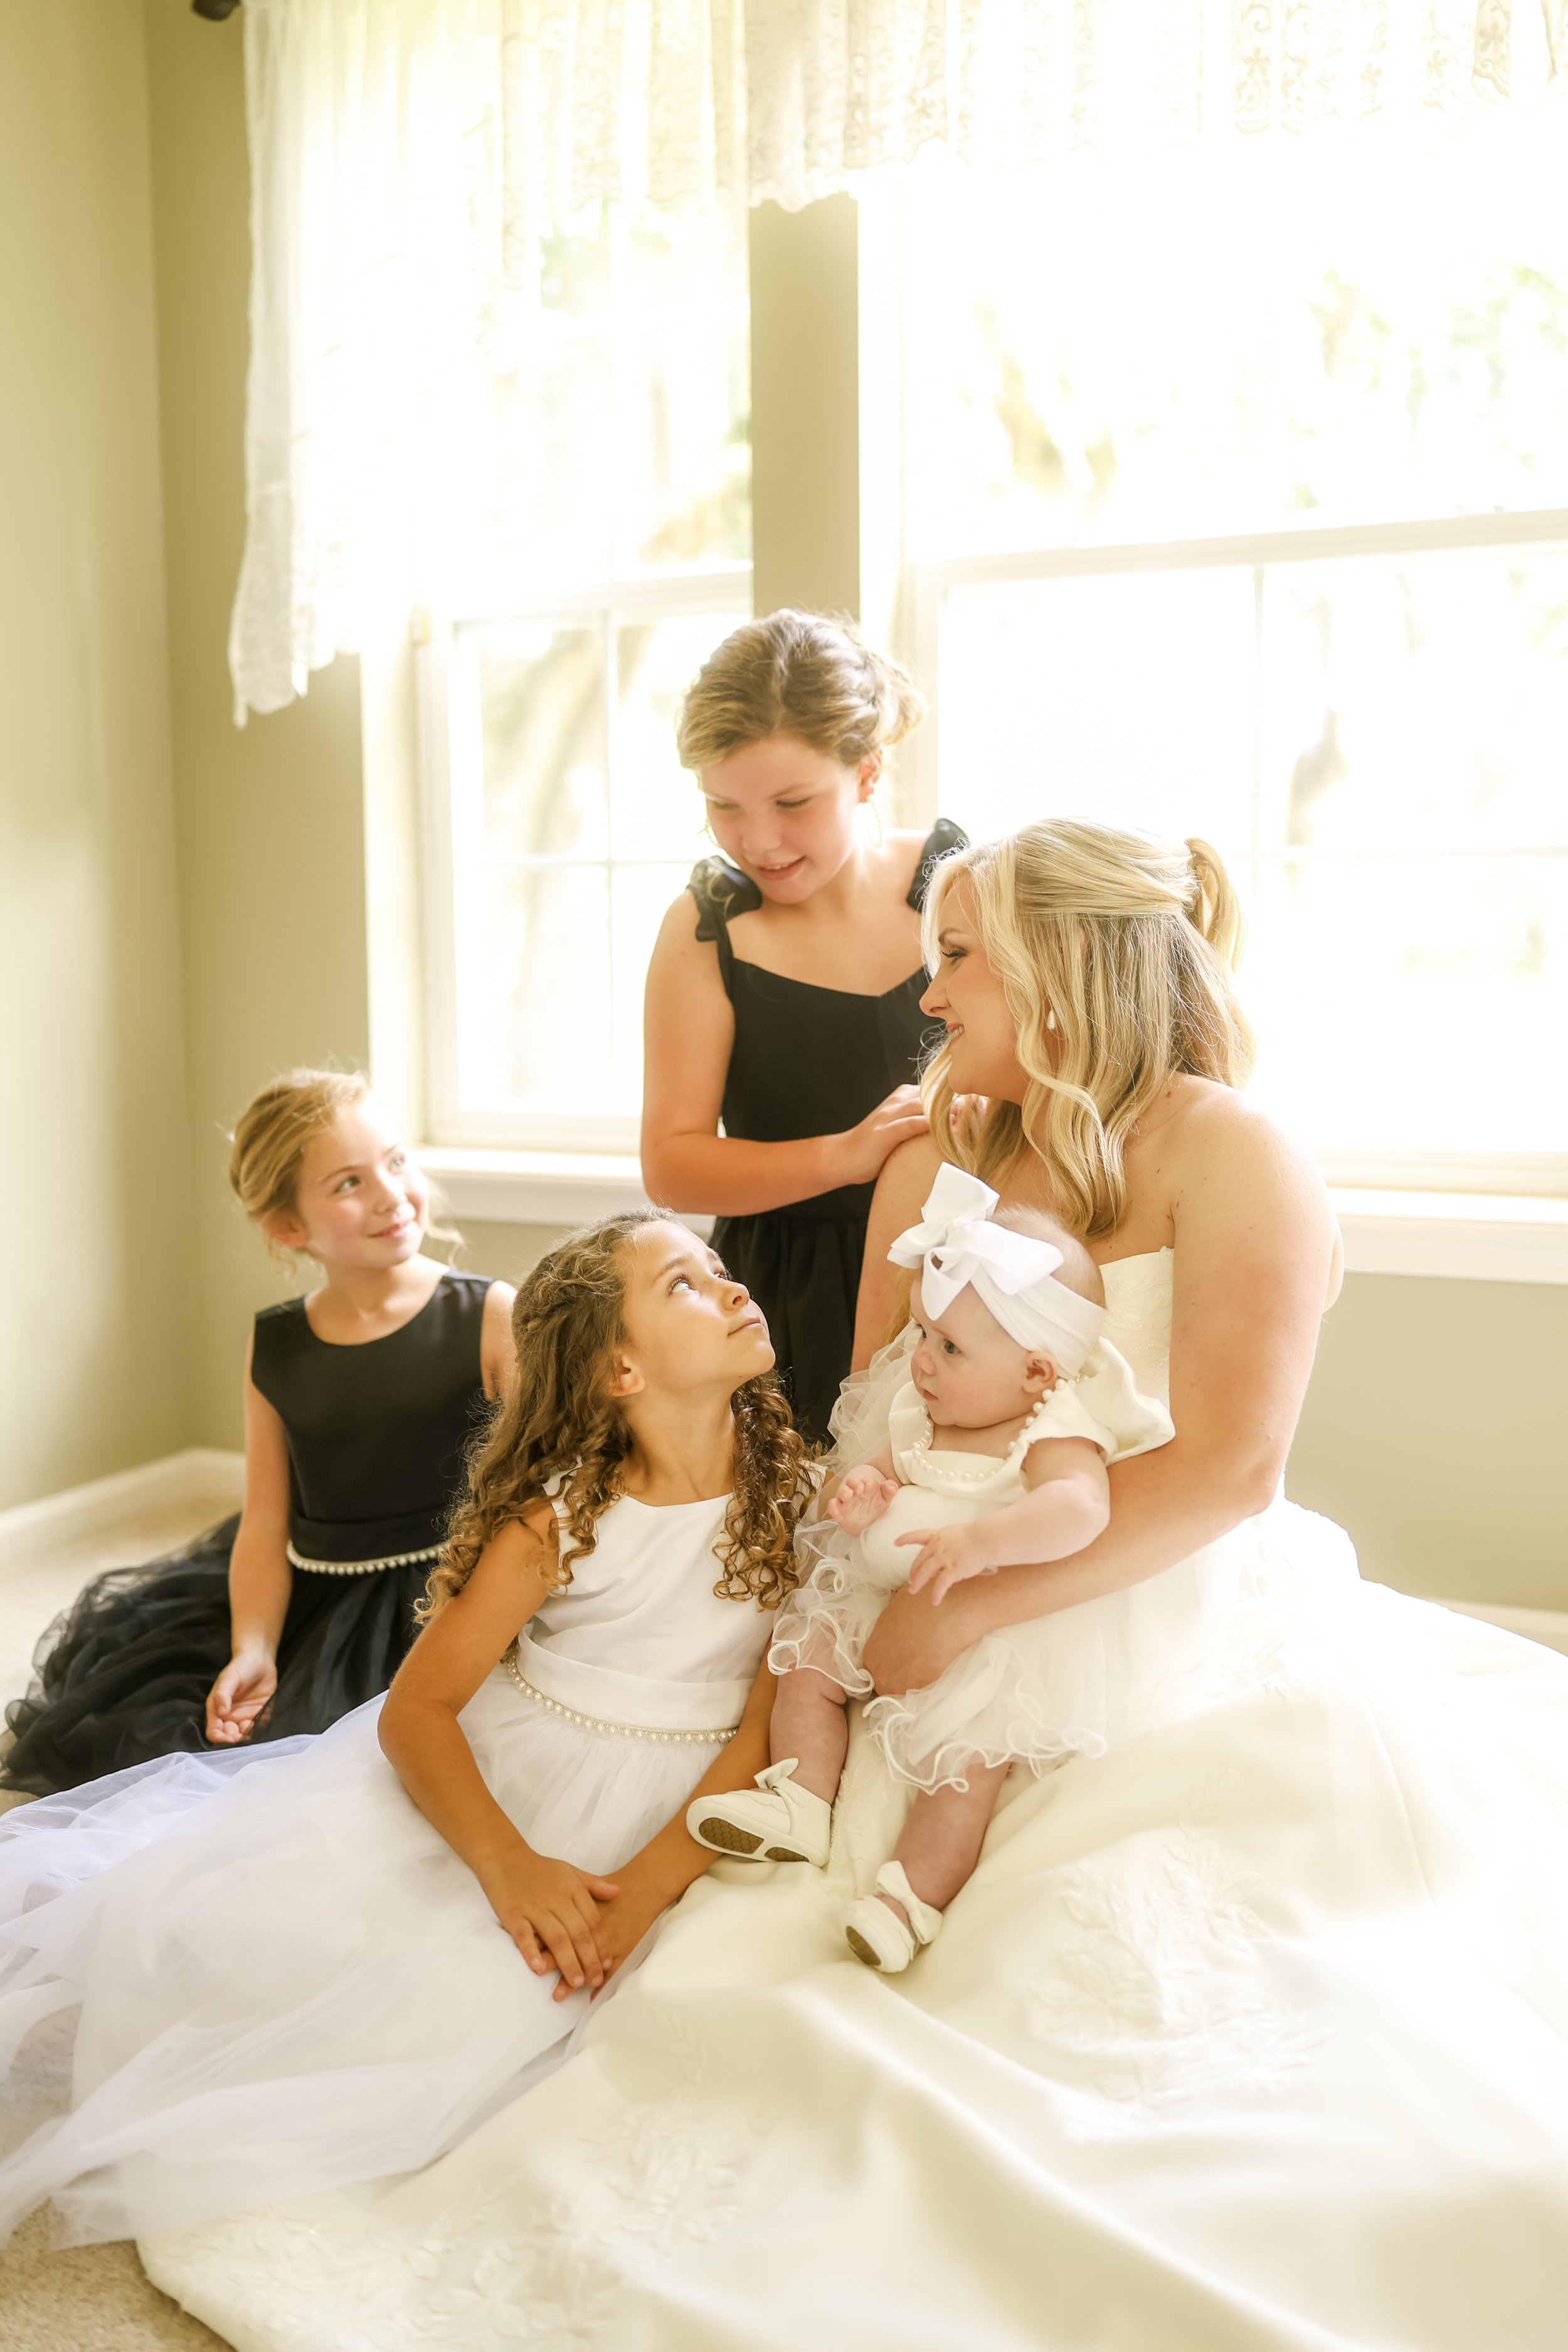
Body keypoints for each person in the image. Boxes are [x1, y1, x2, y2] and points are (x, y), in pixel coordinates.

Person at [144, 820, 1568, 2352]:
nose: (929, 995)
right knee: (732, 1943)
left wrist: (971, 1604)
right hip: (908, 1571)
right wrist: (845, 1576)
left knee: (1134, 1994)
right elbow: (869, 1412)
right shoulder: (940, 1149)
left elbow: (1228, 1469)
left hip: (1141, 1601)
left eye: (956, 959)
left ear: (1058, 967)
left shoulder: (1234, 1151)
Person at [0, 1213, 815, 2247]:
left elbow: (764, 1724)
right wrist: (510, 1868)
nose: (734, 1287)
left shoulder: (797, 1494)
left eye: (719, 1268)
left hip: (685, 1807)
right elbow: (417, 1710)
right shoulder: (560, 1520)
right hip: (519, 1783)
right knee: (301, 1975)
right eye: (685, 1285)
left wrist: (647, 1888)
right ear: (620, 1369)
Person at [689, 1167, 1173, 1973]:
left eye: (949, 1348)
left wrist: (985, 1543)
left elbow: (1081, 1509)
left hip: (980, 1629)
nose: (921, 1363)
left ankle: (907, 1900)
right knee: (807, 1662)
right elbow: (877, 1470)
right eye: (922, 1335)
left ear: (1035, 1372)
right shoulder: (925, 1411)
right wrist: (862, 1494)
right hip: (878, 1592)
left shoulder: (1050, 1428)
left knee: (966, 1764)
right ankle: (801, 1797)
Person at [0, 1071, 515, 1796]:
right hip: (320, 1594)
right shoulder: (276, 1345)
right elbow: (267, 1519)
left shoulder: (491, 1316)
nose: (390, 1194)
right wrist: (254, 1648)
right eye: (348, 1183)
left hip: (455, 1593)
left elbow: (542, 1484)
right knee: (222, 1753)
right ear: (288, 1228)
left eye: (396, 1161)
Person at [640, 608, 966, 1444]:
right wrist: (845, 1155)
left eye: (793, 802)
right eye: (723, 806)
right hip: (783, 1298)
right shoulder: (706, 928)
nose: (759, 840)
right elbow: (671, 1164)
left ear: (867, 771)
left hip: (963, 1278)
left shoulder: (961, 885)